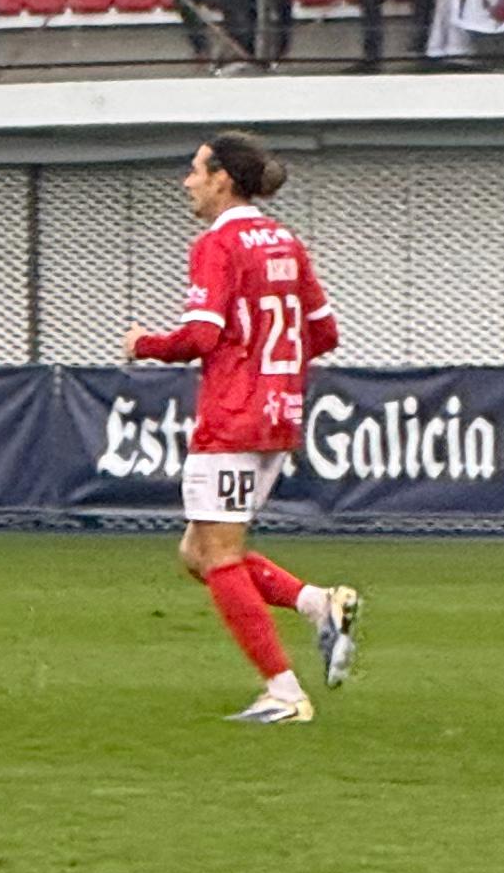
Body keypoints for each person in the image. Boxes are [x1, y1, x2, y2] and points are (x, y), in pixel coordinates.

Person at [126, 130, 358, 729]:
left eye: (195, 171)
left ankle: (283, 691)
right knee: (197, 553)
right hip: (277, 416)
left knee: (219, 556)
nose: (188, 182)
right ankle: (317, 604)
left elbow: (200, 336)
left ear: (223, 178)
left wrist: (144, 345)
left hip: (232, 417)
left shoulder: (218, 243)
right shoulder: (284, 239)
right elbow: (324, 334)